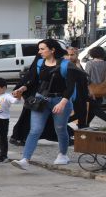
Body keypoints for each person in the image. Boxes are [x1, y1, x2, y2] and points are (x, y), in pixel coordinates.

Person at [11, 39, 79, 170]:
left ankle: (63, 154)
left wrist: (63, 103)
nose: (39, 52)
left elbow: (70, 87)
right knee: (35, 130)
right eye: (39, 49)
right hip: (41, 100)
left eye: (42, 49)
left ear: (52, 49)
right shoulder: (40, 63)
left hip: (61, 100)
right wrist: (22, 89)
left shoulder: (66, 65)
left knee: (60, 129)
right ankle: (25, 159)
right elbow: (34, 82)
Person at [66, 46, 89, 128]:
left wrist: (78, 65)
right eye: (68, 55)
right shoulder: (65, 65)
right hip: (70, 94)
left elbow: (84, 78)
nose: (69, 57)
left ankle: (82, 129)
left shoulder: (77, 65)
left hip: (80, 93)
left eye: (72, 55)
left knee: (82, 113)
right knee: (80, 112)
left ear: (76, 55)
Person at [84, 46, 106, 126]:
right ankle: (84, 126)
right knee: (92, 109)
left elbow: (86, 77)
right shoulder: (105, 64)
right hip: (102, 90)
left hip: (91, 90)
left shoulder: (90, 63)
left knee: (94, 109)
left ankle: (83, 125)